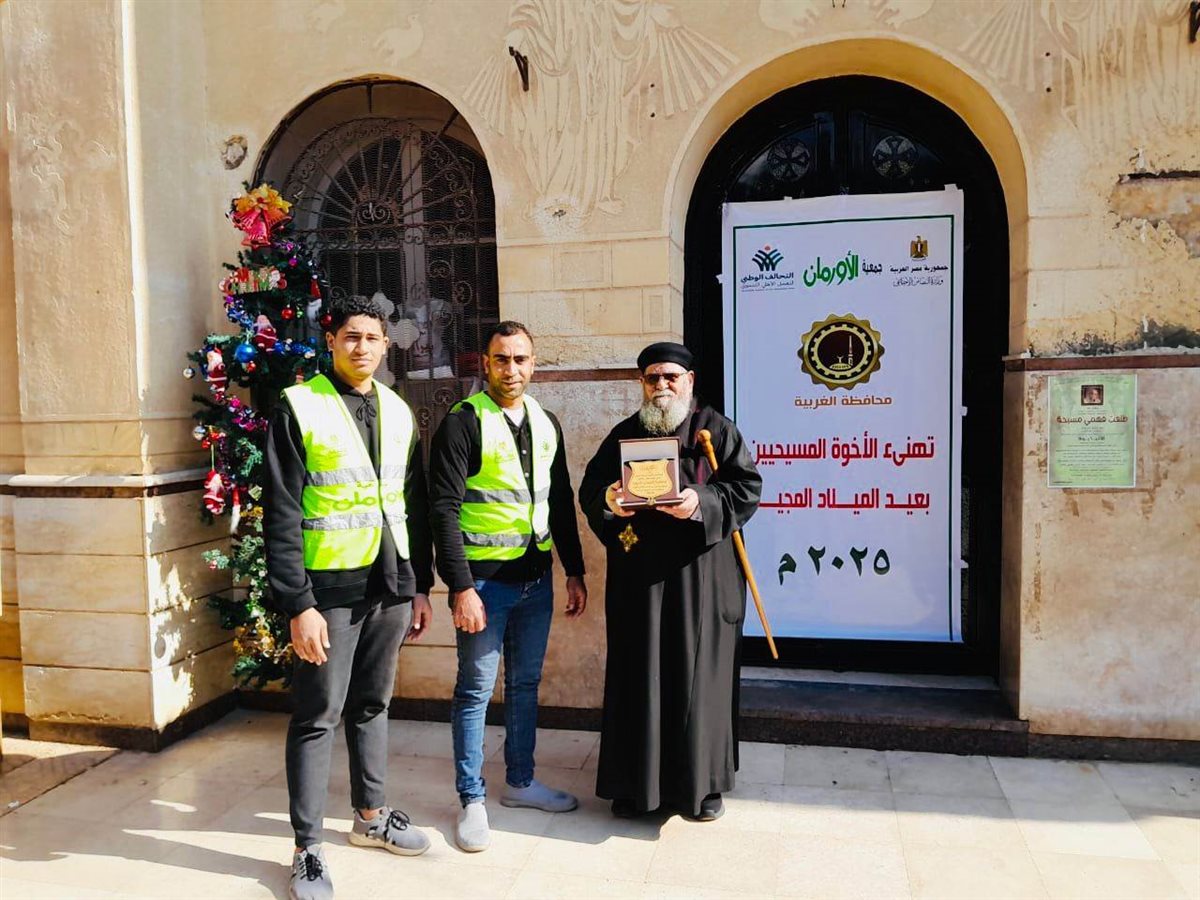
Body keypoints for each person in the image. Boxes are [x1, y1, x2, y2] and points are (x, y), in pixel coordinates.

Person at [264, 295, 434, 900]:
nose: (362, 346)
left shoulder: (397, 408)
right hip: (328, 591)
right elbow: (281, 511)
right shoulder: (298, 405)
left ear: (387, 346)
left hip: (389, 585)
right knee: (318, 716)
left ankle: (370, 818)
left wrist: (418, 585)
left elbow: (411, 503)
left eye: (372, 338)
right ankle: (307, 848)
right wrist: (298, 604)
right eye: (351, 336)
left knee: (373, 705)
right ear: (331, 341)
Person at [579, 341, 762, 822]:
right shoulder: (624, 434)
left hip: (702, 583)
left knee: (700, 683)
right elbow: (590, 490)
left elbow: (746, 488)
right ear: (642, 383)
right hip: (640, 584)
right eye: (652, 378)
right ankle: (633, 786)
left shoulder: (717, 430)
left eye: (670, 377)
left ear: (689, 381)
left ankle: (702, 787)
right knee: (638, 678)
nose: (661, 386)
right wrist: (610, 501)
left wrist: (700, 501)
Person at [429, 321, 588, 852]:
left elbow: (559, 499)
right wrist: (460, 588)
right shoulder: (463, 422)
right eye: (501, 359)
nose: (511, 369)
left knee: (523, 685)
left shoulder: (546, 421)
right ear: (486, 363)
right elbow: (443, 511)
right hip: (483, 584)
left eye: (521, 359)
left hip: (535, 579)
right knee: (475, 691)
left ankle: (520, 783)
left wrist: (574, 570)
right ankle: (471, 799)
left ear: (533, 364)